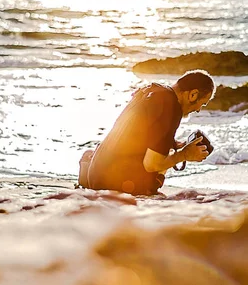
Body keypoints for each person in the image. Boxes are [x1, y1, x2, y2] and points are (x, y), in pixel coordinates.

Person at [78, 70, 216, 196]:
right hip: (112, 185)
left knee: (163, 152)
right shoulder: (171, 108)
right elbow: (152, 164)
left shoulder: (153, 91)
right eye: (202, 104)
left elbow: (137, 132)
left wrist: (173, 144)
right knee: (161, 163)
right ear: (193, 94)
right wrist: (185, 154)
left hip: (96, 174)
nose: (198, 110)